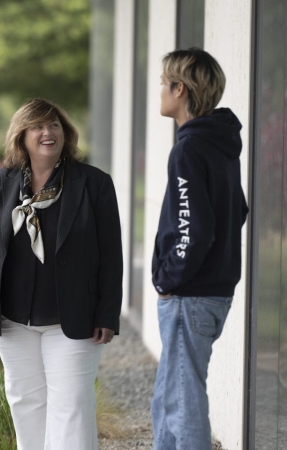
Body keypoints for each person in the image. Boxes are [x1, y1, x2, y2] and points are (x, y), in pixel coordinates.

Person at [0, 98, 123, 450]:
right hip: (12, 321)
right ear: (21, 136)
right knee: (26, 405)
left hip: (73, 320)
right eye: (37, 126)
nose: (47, 132)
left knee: (71, 409)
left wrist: (107, 314)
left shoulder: (94, 183)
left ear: (65, 133)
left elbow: (112, 256)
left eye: (54, 125)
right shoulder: (1, 182)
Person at [150, 48, 249, 449]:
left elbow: (195, 229)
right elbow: (238, 209)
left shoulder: (189, 149)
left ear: (181, 89)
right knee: (167, 398)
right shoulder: (220, 144)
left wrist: (169, 277)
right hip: (212, 292)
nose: (159, 91)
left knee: (183, 402)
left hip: (190, 295)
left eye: (163, 83)